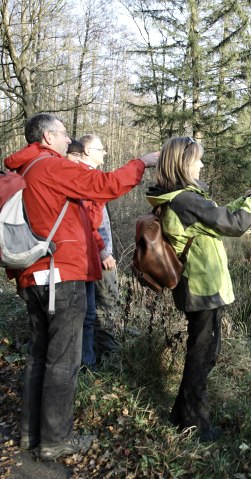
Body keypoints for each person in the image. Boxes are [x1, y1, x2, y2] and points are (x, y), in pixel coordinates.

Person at [4, 113, 158, 460]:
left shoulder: (24, 169)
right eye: (62, 132)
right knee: (63, 359)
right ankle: (56, 441)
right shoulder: (51, 166)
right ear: (46, 136)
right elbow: (105, 185)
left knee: (38, 355)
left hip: (32, 274)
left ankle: (31, 433)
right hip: (62, 275)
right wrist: (142, 162)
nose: (67, 138)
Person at [145, 136, 251, 442]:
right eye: (198, 159)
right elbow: (234, 224)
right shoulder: (185, 200)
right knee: (202, 358)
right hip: (202, 290)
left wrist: (248, 195)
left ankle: (180, 415)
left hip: (198, 287)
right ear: (184, 163)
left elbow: (219, 218)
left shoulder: (179, 197)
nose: (202, 164)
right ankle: (194, 426)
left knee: (201, 354)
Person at [79, 134, 119, 362]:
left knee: (98, 307)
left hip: (98, 254)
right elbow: (88, 220)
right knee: (104, 305)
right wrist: (104, 251)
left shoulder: (92, 177)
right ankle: (104, 357)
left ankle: (96, 355)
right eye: (100, 148)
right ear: (86, 151)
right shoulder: (84, 178)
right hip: (96, 257)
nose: (104, 152)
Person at [66, 139, 104, 369]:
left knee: (88, 315)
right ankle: (78, 365)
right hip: (74, 261)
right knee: (78, 317)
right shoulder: (74, 181)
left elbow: (94, 225)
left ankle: (86, 362)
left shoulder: (86, 181)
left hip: (86, 259)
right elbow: (89, 224)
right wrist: (104, 249)